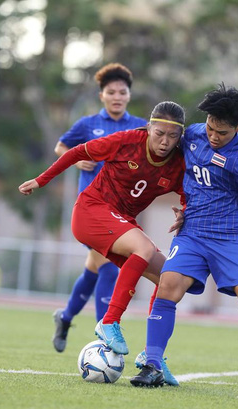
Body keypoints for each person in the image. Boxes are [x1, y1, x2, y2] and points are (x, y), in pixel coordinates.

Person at [130, 84, 238, 391]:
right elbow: (161, 141)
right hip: (193, 233)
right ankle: (152, 363)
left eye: (221, 132)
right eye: (210, 127)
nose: (213, 136)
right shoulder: (193, 134)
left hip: (232, 238)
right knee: (168, 286)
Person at [19, 101, 186, 386]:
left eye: (172, 136)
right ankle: (109, 322)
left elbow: (188, 193)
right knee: (143, 248)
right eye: (159, 133)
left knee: (170, 279)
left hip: (121, 222)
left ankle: (153, 358)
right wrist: (41, 180)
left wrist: (184, 209)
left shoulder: (178, 162)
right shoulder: (126, 141)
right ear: (148, 127)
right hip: (91, 211)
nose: (165, 141)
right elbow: (76, 152)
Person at [51, 63, 146, 354]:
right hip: (91, 208)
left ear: (129, 95)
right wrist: (77, 159)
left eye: (122, 92)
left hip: (123, 209)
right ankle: (105, 335)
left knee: (94, 268)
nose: (117, 96)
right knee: (109, 269)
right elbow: (61, 148)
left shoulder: (140, 126)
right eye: (111, 92)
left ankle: (65, 318)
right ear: (101, 95)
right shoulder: (87, 124)